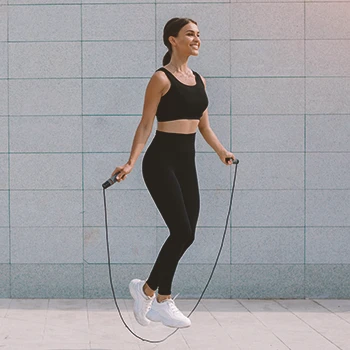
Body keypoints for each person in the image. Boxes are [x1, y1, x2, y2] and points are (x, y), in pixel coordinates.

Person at [110, 17, 235, 329]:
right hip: (160, 161)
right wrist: (130, 162)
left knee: (187, 234)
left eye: (198, 34)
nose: (196, 39)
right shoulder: (161, 79)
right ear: (172, 40)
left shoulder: (199, 80)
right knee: (181, 231)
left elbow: (203, 124)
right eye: (189, 34)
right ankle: (158, 297)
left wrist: (222, 151)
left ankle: (151, 292)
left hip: (186, 162)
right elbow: (145, 124)